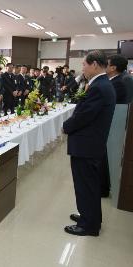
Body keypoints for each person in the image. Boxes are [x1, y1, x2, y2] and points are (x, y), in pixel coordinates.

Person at [62, 50, 116, 236]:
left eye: (84, 64)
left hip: (87, 145)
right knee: (89, 184)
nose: (82, 67)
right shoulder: (100, 84)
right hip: (90, 144)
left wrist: (66, 126)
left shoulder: (99, 87)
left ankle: (88, 225)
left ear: (94, 65)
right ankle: (90, 217)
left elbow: (84, 116)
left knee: (85, 185)